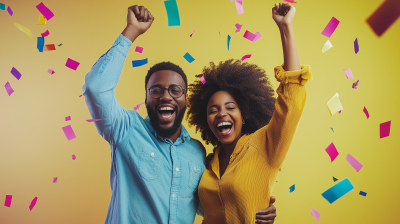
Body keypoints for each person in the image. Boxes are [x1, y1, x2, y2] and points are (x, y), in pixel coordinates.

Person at [83, 4, 277, 224]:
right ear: (146, 98)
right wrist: (131, 31)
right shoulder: (125, 129)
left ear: (186, 100)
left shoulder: (197, 152)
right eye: (156, 91)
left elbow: (211, 206)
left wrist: (256, 205)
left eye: (175, 90)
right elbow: (95, 88)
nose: (166, 96)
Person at [186, 3, 312, 224]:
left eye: (230, 107)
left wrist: (286, 28)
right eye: (213, 110)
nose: (221, 114)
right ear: (206, 121)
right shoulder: (207, 162)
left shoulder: (265, 147)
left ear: (243, 115)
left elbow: (291, 100)